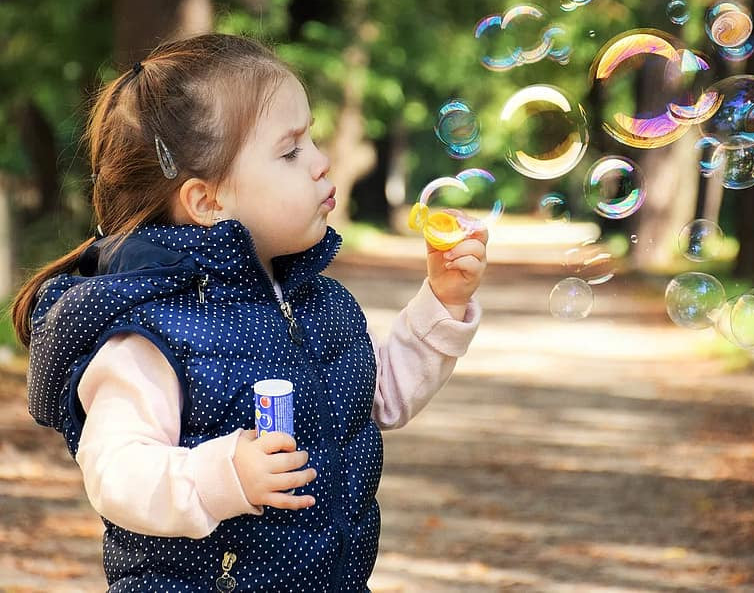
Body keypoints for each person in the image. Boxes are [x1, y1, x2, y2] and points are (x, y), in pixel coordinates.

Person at [12, 33, 487, 591]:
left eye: (310, 140)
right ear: (208, 201)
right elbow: (115, 471)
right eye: (290, 151)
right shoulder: (153, 331)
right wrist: (222, 476)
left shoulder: (318, 302)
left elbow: (377, 396)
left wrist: (443, 301)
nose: (320, 161)